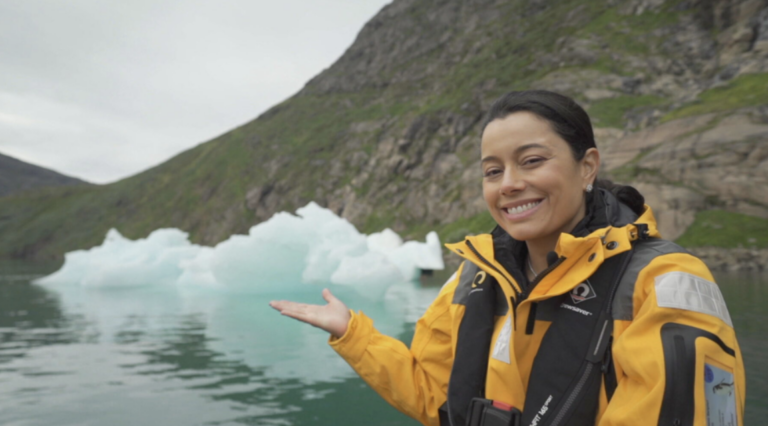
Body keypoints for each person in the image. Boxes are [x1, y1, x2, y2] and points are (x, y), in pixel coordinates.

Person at [270, 90, 746, 426]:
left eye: (532, 161)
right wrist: (353, 334)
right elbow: (437, 399)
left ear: (587, 166)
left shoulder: (662, 281)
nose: (510, 184)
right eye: (492, 171)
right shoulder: (473, 280)